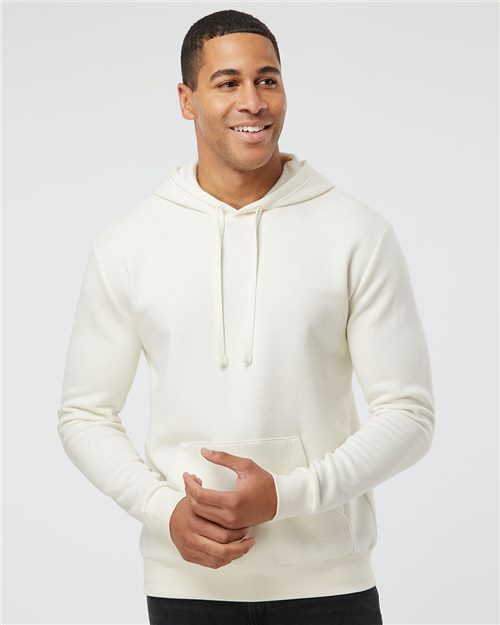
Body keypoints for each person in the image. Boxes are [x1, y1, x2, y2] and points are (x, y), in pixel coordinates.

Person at [57, 9, 436, 625]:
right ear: (187, 100)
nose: (253, 102)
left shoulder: (357, 234)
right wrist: (162, 510)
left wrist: (287, 496)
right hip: (187, 586)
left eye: (268, 80)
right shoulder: (129, 243)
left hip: (330, 585)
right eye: (227, 82)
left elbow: (409, 415)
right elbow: (84, 414)